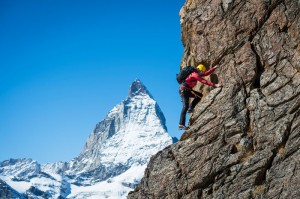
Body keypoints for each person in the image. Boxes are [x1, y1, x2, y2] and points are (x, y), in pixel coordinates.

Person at [179, 64, 222, 130]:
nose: (202, 72)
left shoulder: (197, 73)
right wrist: (214, 85)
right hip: (184, 90)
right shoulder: (194, 74)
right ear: (199, 70)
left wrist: (214, 68)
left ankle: (191, 108)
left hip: (187, 90)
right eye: (202, 71)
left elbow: (205, 73)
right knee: (185, 106)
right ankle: (181, 124)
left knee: (199, 95)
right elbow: (203, 81)